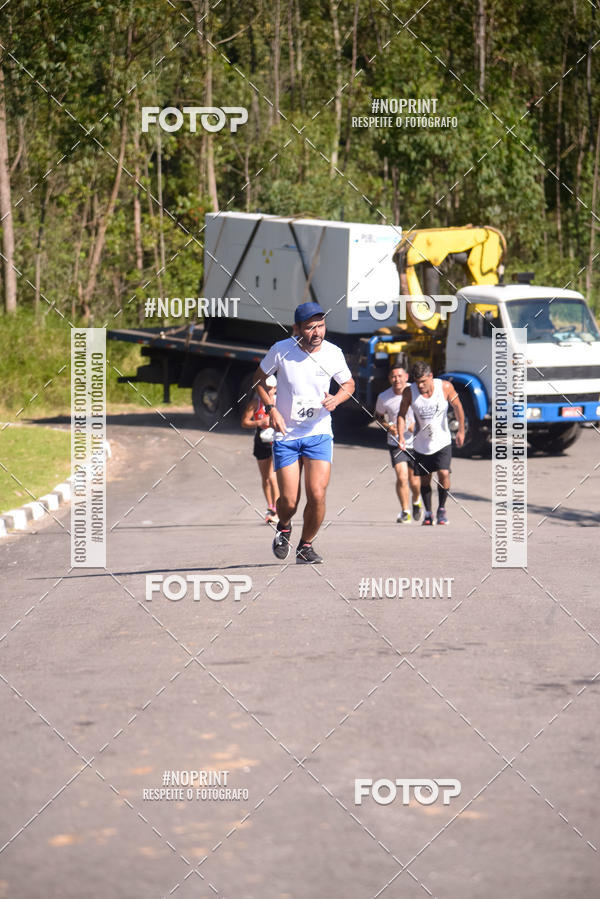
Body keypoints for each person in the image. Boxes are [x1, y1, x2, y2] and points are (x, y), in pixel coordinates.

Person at [255, 301, 355, 563]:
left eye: (320, 326)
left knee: (317, 493)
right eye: (310, 327)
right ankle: (284, 525)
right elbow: (260, 380)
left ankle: (305, 546)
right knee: (288, 500)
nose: (317, 332)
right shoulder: (281, 351)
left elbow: (349, 383)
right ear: (296, 328)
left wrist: (337, 399)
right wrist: (271, 409)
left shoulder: (333, 353)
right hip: (286, 435)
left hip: (319, 432)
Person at [396, 361, 464, 526]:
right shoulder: (409, 392)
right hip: (421, 443)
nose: (420, 385)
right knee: (425, 480)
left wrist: (461, 430)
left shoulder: (445, 387)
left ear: (431, 377)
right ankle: (428, 513)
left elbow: (458, 407)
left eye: (423, 381)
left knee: (444, 473)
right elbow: (401, 414)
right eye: (417, 381)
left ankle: (441, 509)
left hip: (442, 440)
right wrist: (401, 436)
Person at [375, 364, 421, 523]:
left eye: (400, 376)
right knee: (402, 478)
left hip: (417, 443)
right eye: (393, 376)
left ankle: (416, 501)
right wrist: (389, 427)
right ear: (389, 379)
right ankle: (405, 511)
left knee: (414, 481)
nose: (397, 379)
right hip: (396, 443)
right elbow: (379, 418)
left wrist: (417, 426)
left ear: (406, 377)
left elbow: (427, 413)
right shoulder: (384, 397)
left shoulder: (416, 391)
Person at [240, 374, 279, 523]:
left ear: (276, 389)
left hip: (275, 442)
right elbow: (244, 422)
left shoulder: (280, 403)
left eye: (272, 388)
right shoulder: (255, 403)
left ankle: (276, 510)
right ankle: (270, 506)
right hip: (261, 441)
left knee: (272, 476)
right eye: (266, 388)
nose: (269, 391)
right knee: (265, 478)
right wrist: (260, 422)